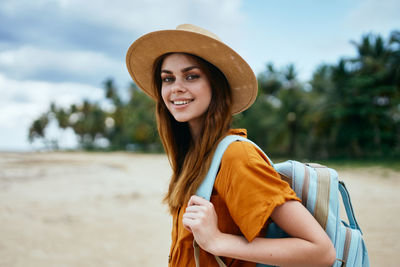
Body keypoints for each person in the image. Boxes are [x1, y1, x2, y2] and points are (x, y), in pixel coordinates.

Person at [126, 24, 336, 267]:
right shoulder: (194, 157)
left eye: (191, 76)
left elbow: (320, 251)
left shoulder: (237, 156)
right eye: (167, 78)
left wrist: (217, 241)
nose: (176, 88)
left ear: (216, 86)